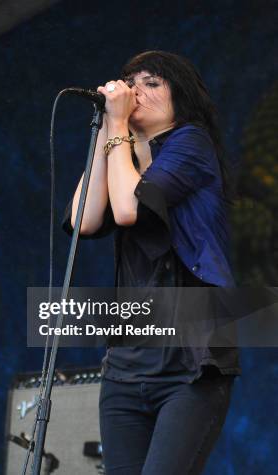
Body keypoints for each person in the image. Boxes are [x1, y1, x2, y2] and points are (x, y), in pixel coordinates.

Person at [63, 51, 239, 475]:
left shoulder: (190, 141)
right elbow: (83, 220)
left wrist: (119, 127)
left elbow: (129, 210)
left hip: (188, 364)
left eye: (152, 82)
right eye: (130, 82)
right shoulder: (121, 148)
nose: (136, 91)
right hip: (126, 366)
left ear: (182, 97)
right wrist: (108, 126)